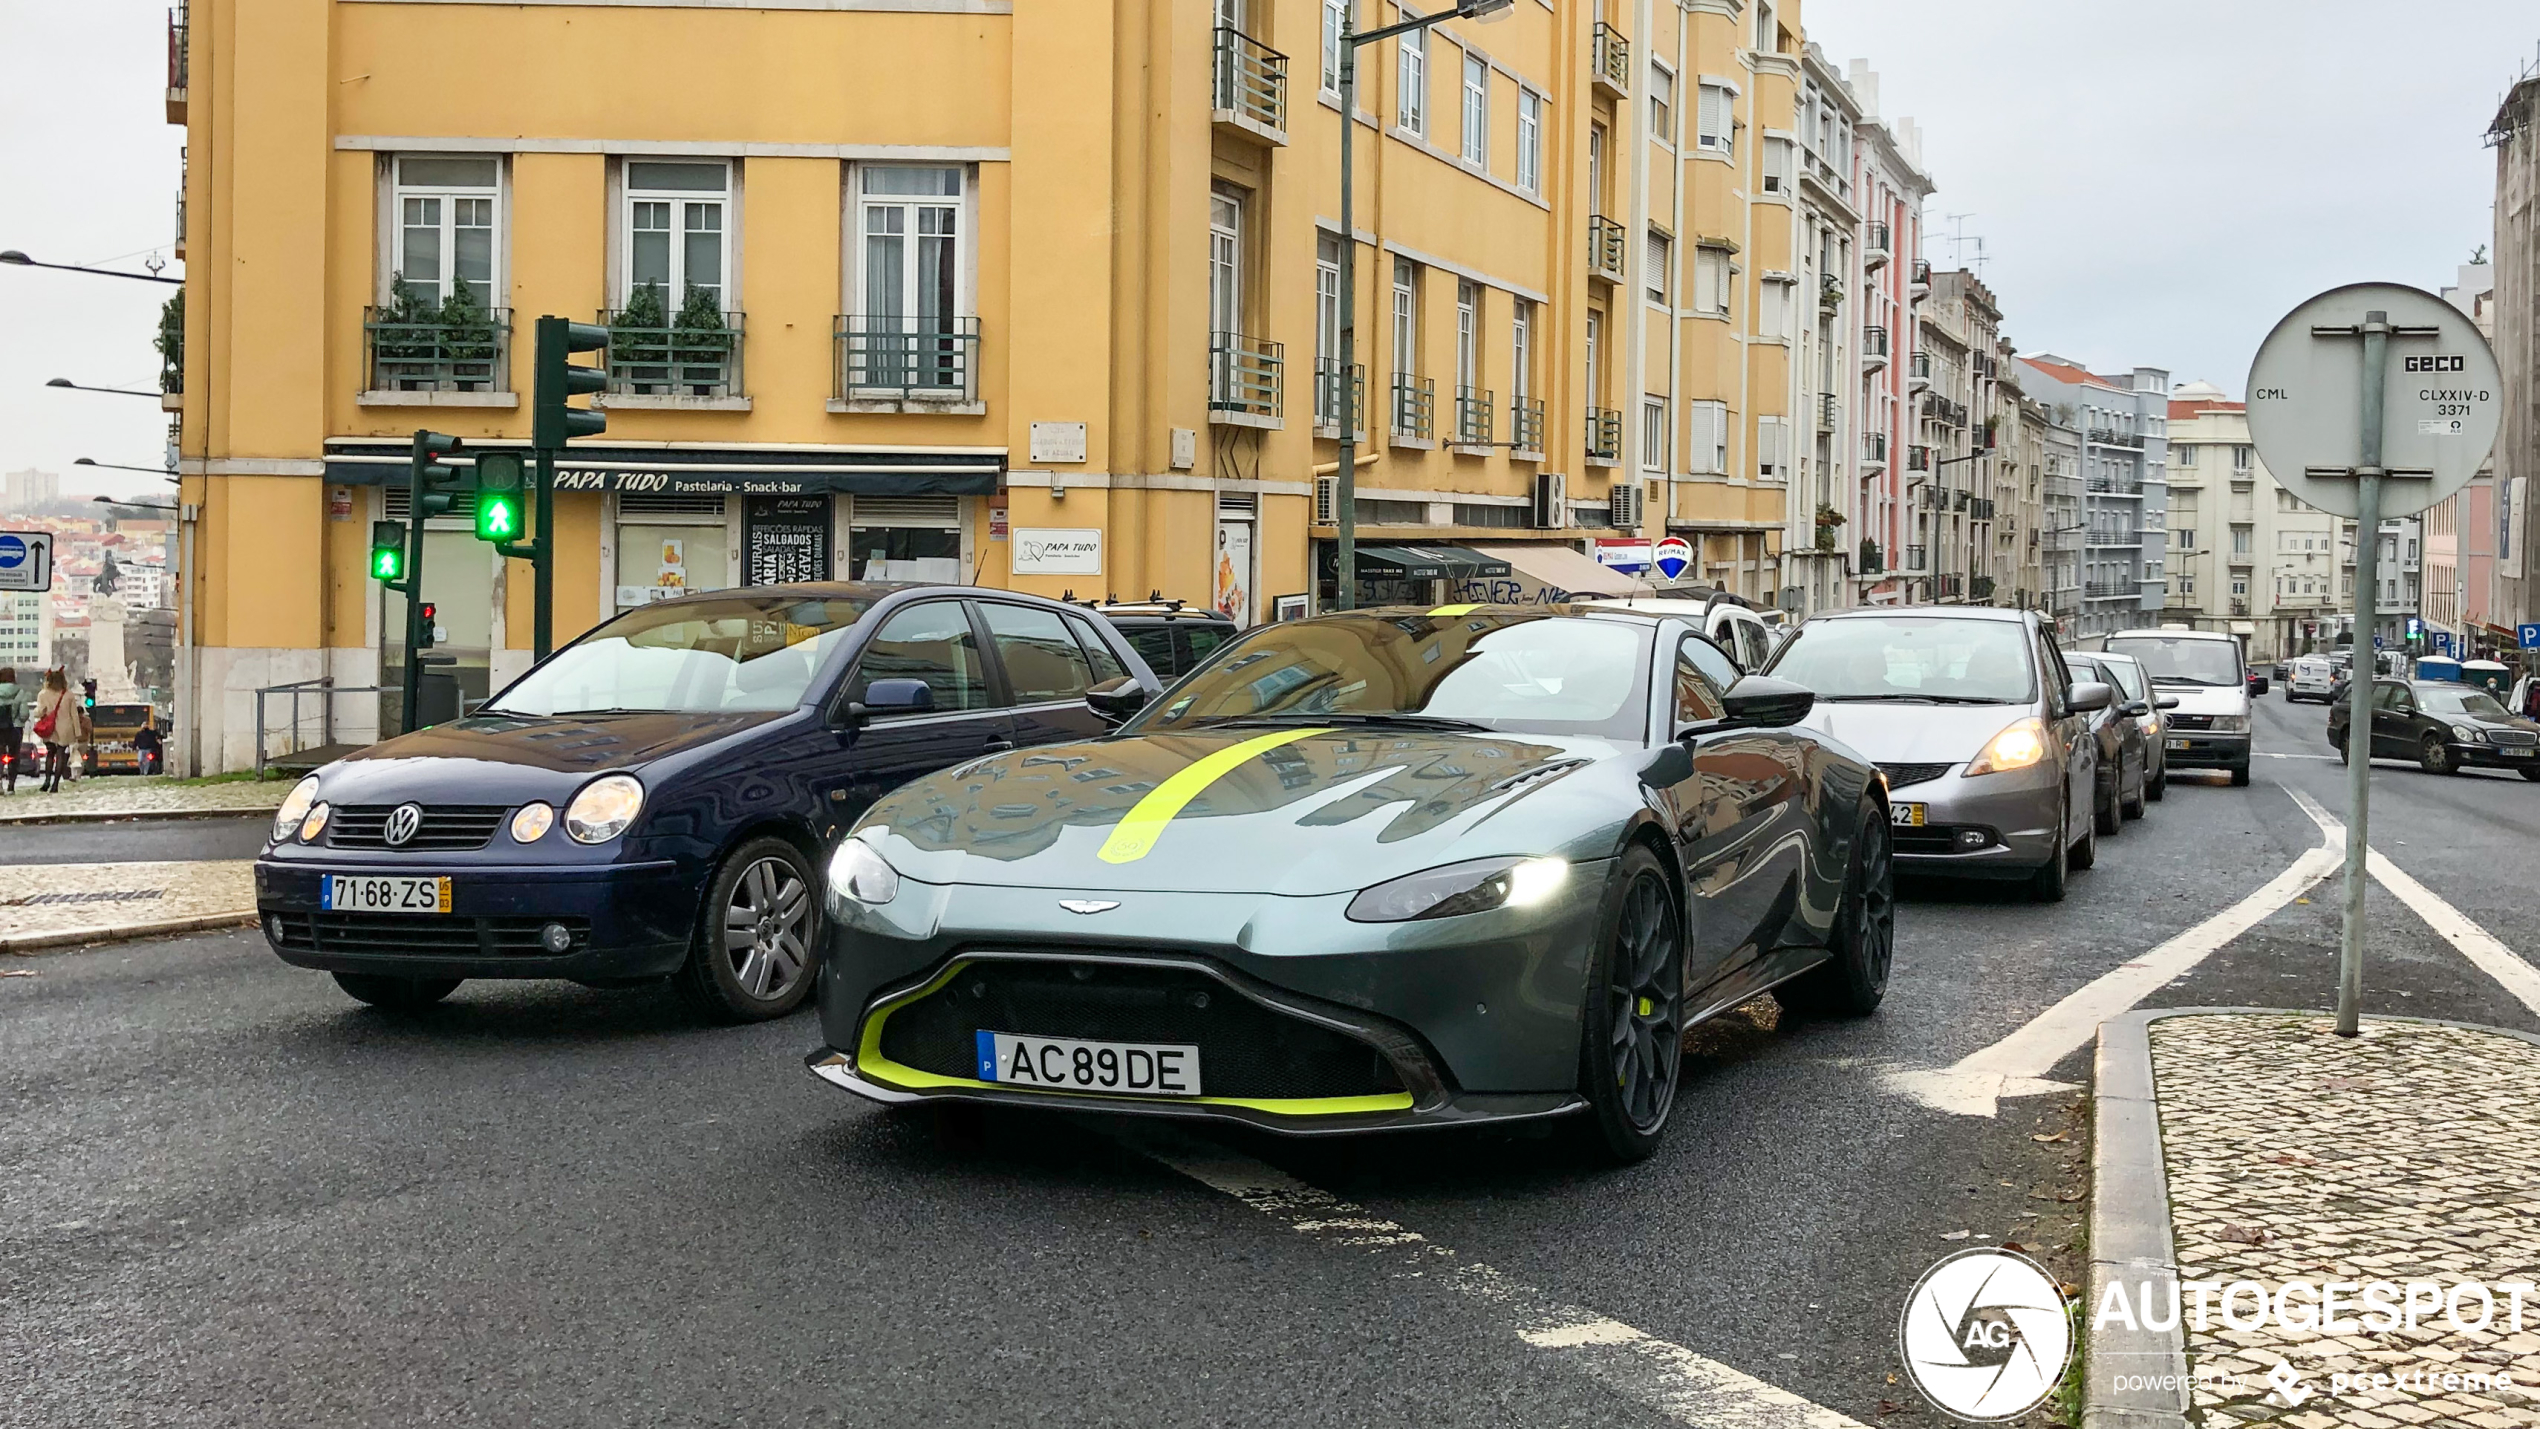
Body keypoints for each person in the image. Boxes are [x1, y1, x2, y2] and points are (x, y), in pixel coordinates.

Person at [30, 670, 85, 795]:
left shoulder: (43, 694)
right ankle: (55, 784)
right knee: (60, 754)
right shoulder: (69, 695)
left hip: (49, 728)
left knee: (50, 754)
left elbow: (38, 712)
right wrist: (77, 732)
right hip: (65, 728)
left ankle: (47, 780)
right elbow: (74, 715)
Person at [0, 668, 22, 794]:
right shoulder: (19, 691)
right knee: (14, 755)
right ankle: (11, 785)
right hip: (15, 727)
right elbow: (24, 713)